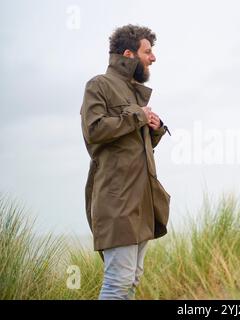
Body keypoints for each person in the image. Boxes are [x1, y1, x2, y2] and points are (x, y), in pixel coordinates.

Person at [80, 24, 171, 300]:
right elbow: (94, 130)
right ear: (129, 54)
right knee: (117, 284)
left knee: (131, 282)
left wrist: (154, 129)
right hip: (117, 202)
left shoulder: (133, 92)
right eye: (148, 52)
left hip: (141, 203)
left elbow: (132, 148)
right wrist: (138, 117)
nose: (153, 58)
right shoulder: (99, 85)